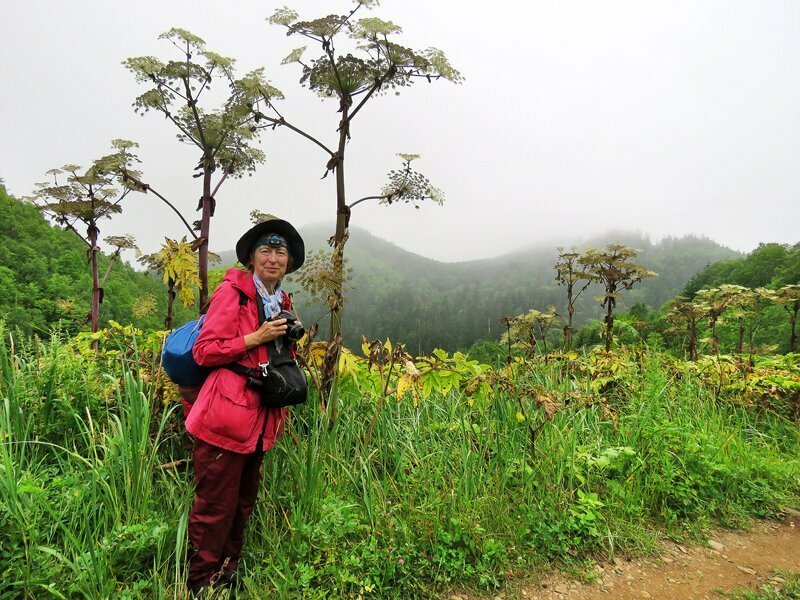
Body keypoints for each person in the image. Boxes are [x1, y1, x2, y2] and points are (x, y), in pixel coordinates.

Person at [183, 218, 305, 594]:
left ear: (287, 261)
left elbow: (275, 356)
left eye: (280, 252)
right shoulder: (232, 293)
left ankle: (228, 572)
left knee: (243, 503)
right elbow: (205, 351)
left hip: (261, 419)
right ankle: (201, 581)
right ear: (251, 258)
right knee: (215, 505)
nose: (273, 258)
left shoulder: (280, 300)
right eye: (265, 251)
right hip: (225, 415)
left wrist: (288, 336)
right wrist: (256, 337)